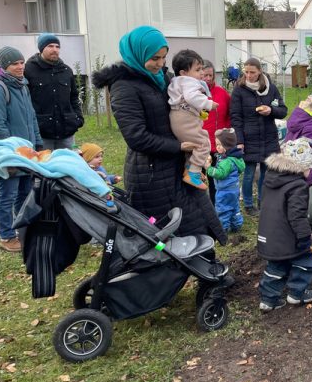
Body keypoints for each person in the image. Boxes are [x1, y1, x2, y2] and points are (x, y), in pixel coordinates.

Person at [92, 25, 225, 243]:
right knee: (166, 238)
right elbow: (136, 136)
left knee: (198, 225)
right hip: (151, 175)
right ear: (138, 54)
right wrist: (178, 146)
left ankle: (210, 273)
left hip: (176, 166)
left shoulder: (164, 78)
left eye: (164, 57)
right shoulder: (124, 87)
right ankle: (200, 274)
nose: (161, 64)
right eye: (155, 58)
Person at [257, 138, 312, 312]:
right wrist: (305, 237)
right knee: (305, 261)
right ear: (300, 166)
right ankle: (297, 294)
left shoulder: (270, 179)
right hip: (288, 236)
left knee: (275, 266)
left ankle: (268, 300)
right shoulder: (298, 186)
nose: (310, 172)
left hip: (268, 235)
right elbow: (297, 216)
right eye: (309, 168)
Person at [0, 46, 43, 252]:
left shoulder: (23, 86)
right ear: (5, 66)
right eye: (15, 63)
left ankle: (22, 230)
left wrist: (37, 143)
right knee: (7, 194)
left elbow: (31, 118)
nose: (20, 66)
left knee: (24, 192)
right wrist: (11, 151)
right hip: (11, 153)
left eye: (22, 62)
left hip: (26, 152)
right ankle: (6, 236)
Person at [230, 57, 287, 216]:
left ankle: (263, 202)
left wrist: (271, 110)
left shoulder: (271, 88)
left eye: (252, 72)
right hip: (249, 138)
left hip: (269, 136)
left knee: (266, 172)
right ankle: (248, 205)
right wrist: (239, 140)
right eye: (246, 72)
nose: (248, 76)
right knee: (248, 174)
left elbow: (283, 110)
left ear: (260, 71)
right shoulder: (239, 89)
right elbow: (236, 117)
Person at [168, 49, 217, 190]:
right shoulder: (189, 82)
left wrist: (200, 111)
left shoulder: (178, 81)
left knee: (194, 145)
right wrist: (208, 104)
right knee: (204, 143)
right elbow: (191, 97)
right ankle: (193, 173)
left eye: (201, 68)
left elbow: (186, 101)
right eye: (198, 69)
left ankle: (189, 169)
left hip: (180, 117)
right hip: (184, 119)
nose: (201, 73)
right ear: (183, 73)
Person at [24, 33, 84, 150]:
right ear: (41, 48)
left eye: (57, 46)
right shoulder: (29, 70)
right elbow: (25, 100)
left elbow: (74, 97)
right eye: (50, 46)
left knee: (67, 165)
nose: (55, 50)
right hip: (42, 133)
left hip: (66, 131)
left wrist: (78, 118)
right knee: (44, 166)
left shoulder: (66, 71)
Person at [202, 60, 231, 203]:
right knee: (198, 180)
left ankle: (215, 207)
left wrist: (227, 132)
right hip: (199, 145)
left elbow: (231, 113)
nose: (208, 79)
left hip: (217, 145)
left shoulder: (222, 93)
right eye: (204, 75)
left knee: (215, 180)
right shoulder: (194, 94)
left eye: (210, 75)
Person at [206, 128, 245, 233]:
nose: (217, 147)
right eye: (216, 144)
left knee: (223, 209)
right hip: (234, 189)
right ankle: (236, 225)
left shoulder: (226, 161)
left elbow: (220, 174)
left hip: (224, 190)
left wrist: (209, 168)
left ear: (227, 146)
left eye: (219, 144)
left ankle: (222, 229)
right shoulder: (235, 157)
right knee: (234, 207)